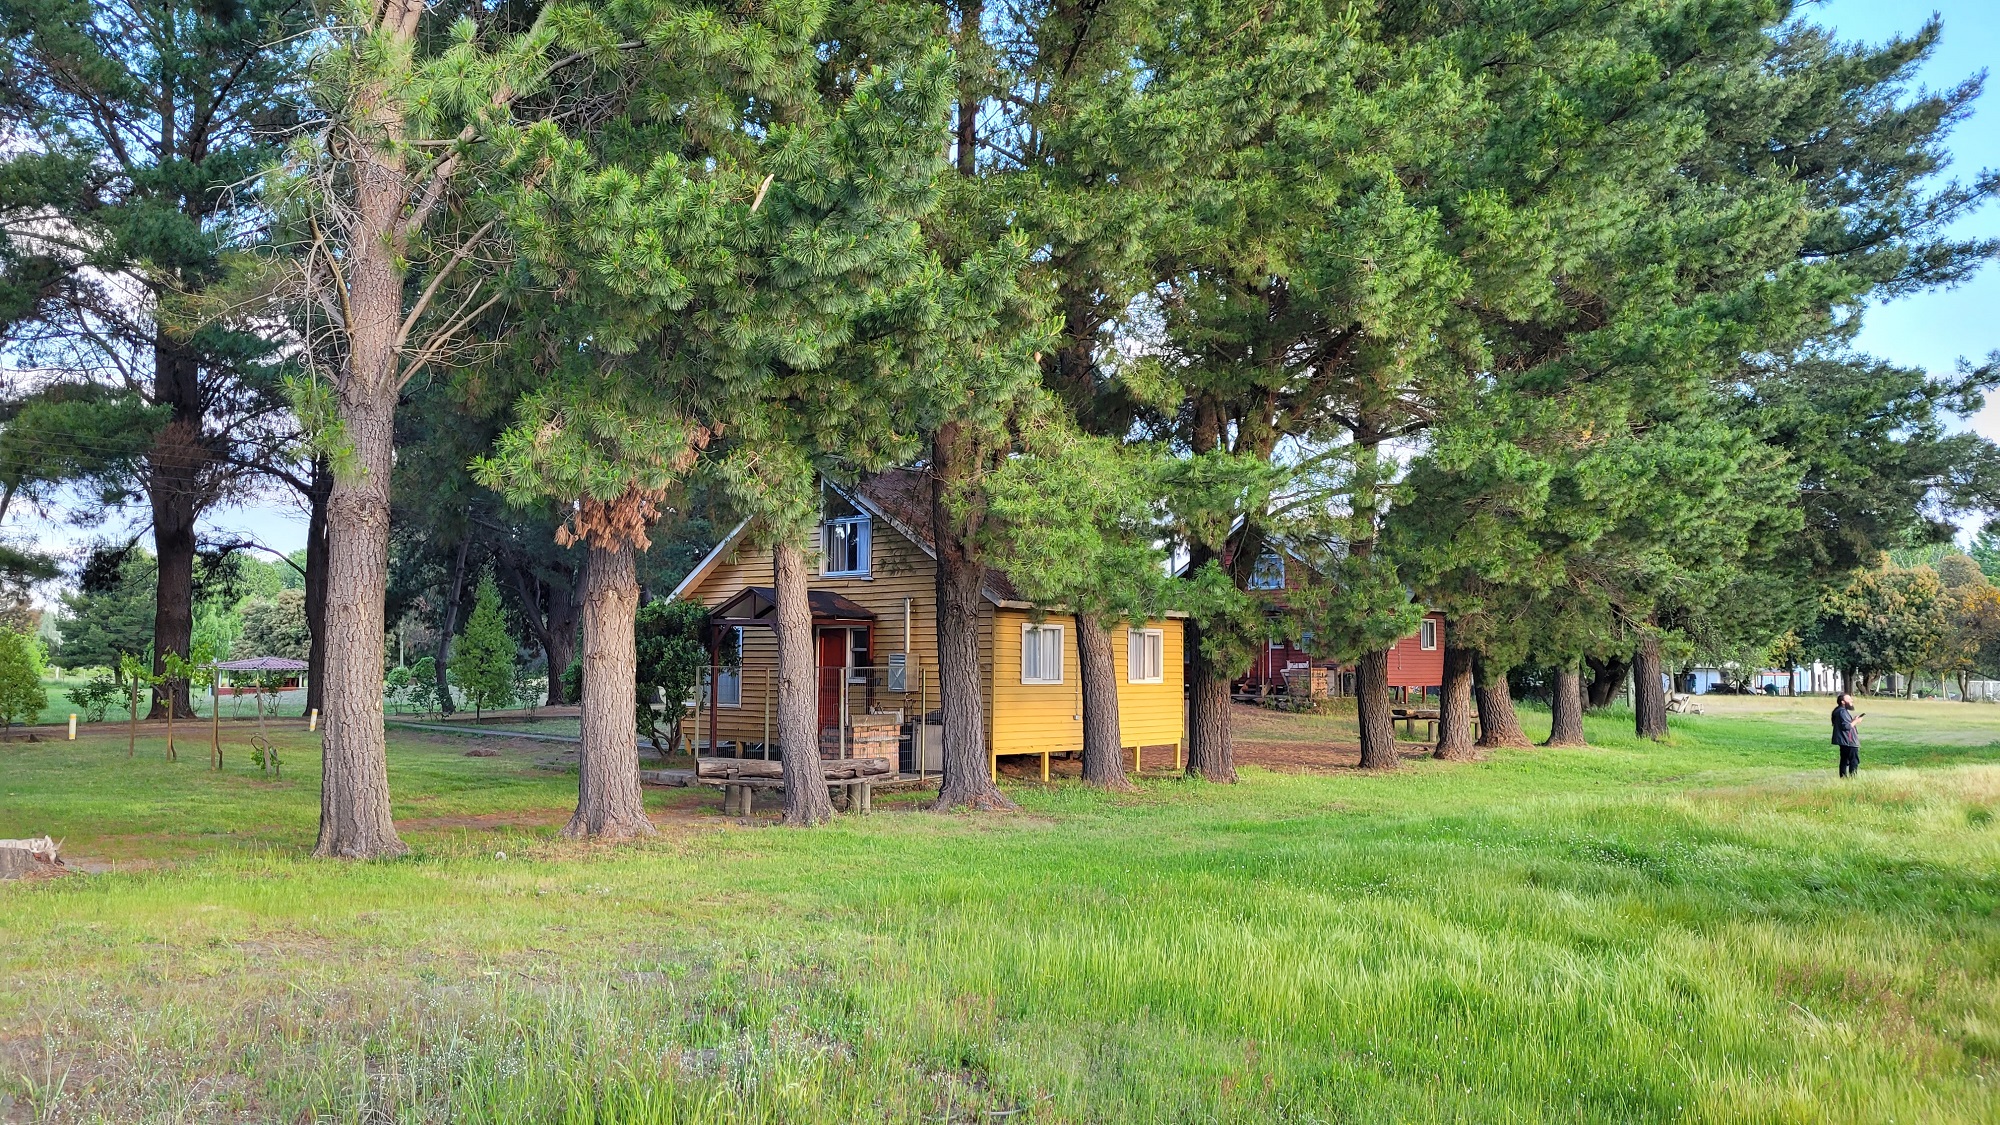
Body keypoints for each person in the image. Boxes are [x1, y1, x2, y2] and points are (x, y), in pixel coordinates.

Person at [1831, 693, 1865, 777]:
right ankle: (1852, 778)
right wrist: (1856, 721)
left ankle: (1843, 778)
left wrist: (1852, 720)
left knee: (1844, 760)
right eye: (1849, 699)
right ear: (1843, 702)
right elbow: (1846, 726)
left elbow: (1845, 724)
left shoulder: (1838, 710)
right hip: (1848, 741)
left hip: (1844, 741)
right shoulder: (1842, 711)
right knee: (1854, 761)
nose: (1851, 701)